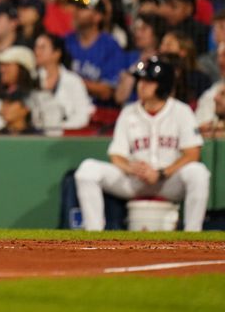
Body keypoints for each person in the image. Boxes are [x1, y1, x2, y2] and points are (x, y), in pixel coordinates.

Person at [74, 57, 211, 231]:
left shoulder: (181, 112)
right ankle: (94, 233)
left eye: (148, 81)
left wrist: (161, 173)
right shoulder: (128, 112)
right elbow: (116, 155)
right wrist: (132, 168)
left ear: (162, 85)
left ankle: (193, 234)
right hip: (134, 180)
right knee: (87, 170)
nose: (141, 85)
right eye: (141, 81)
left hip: (168, 181)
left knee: (198, 173)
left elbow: (193, 154)